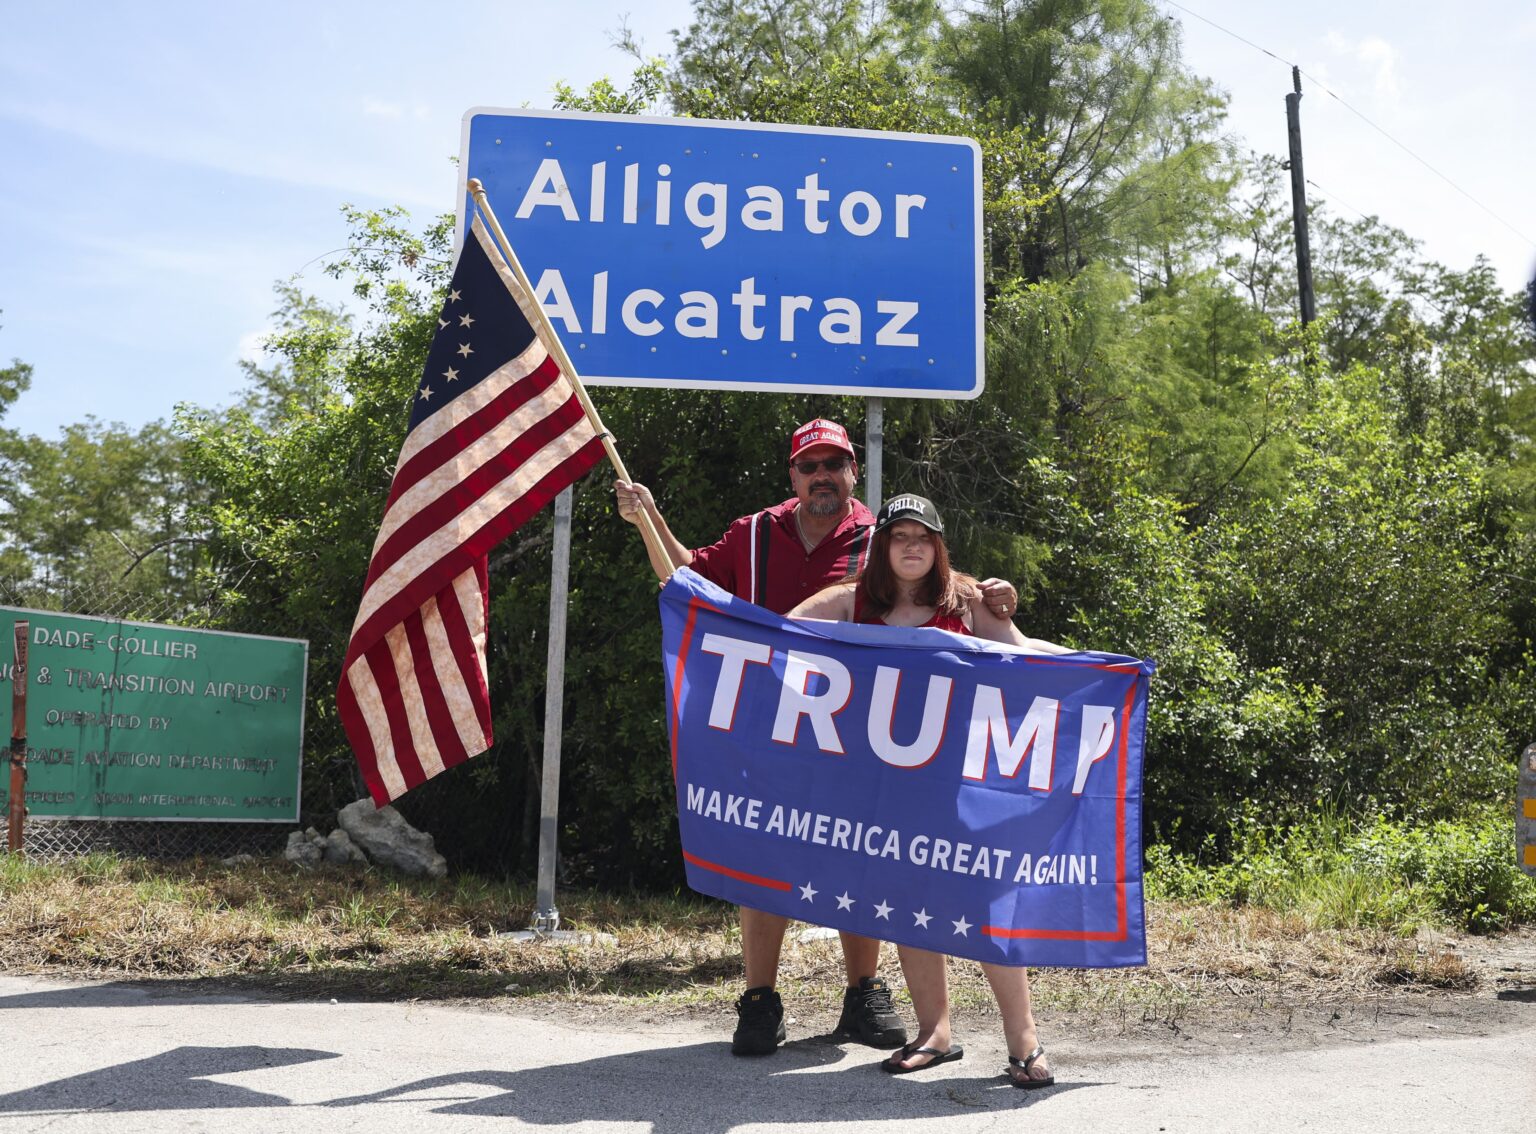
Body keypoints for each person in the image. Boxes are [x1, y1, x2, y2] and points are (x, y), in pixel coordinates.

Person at [615, 419, 1022, 1057]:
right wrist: (648, 520)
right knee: (766, 856)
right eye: (811, 466)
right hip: (772, 730)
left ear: (853, 471)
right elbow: (687, 583)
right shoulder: (754, 535)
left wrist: (996, 595)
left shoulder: (878, 536)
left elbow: (947, 593)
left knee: (863, 857)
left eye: (835, 463)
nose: (822, 476)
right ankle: (760, 1000)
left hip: (865, 741)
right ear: (793, 475)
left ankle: (863, 992)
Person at [787, 494, 1066, 1089]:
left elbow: (1022, 655)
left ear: (937, 547)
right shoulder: (852, 600)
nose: (911, 546)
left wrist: (1103, 668)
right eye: (898, 536)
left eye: (923, 537)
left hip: (964, 786)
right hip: (886, 787)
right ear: (881, 546)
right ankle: (934, 1033)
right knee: (910, 906)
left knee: (987, 908)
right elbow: (776, 635)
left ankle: (1024, 1044)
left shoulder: (964, 601)